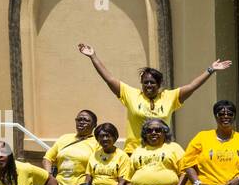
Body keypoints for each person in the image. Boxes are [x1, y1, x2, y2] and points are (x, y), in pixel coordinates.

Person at [77, 43, 230, 152]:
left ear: (159, 84)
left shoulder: (169, 97)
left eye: (152, 82)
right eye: (145, 83)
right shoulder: (131, 94)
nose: (148, 85)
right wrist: (93, 57)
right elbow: (109, 79)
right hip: (135, 152)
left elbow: (192, 86)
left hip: (162, 150)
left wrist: (210, 70)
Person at [126, 118, 186, 185]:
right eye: (149, 131)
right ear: (145, 134)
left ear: (165, 132)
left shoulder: (174, 147)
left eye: (158, 130)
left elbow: (184, 171)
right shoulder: (138, 150)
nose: (153, 133)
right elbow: (128, 179)